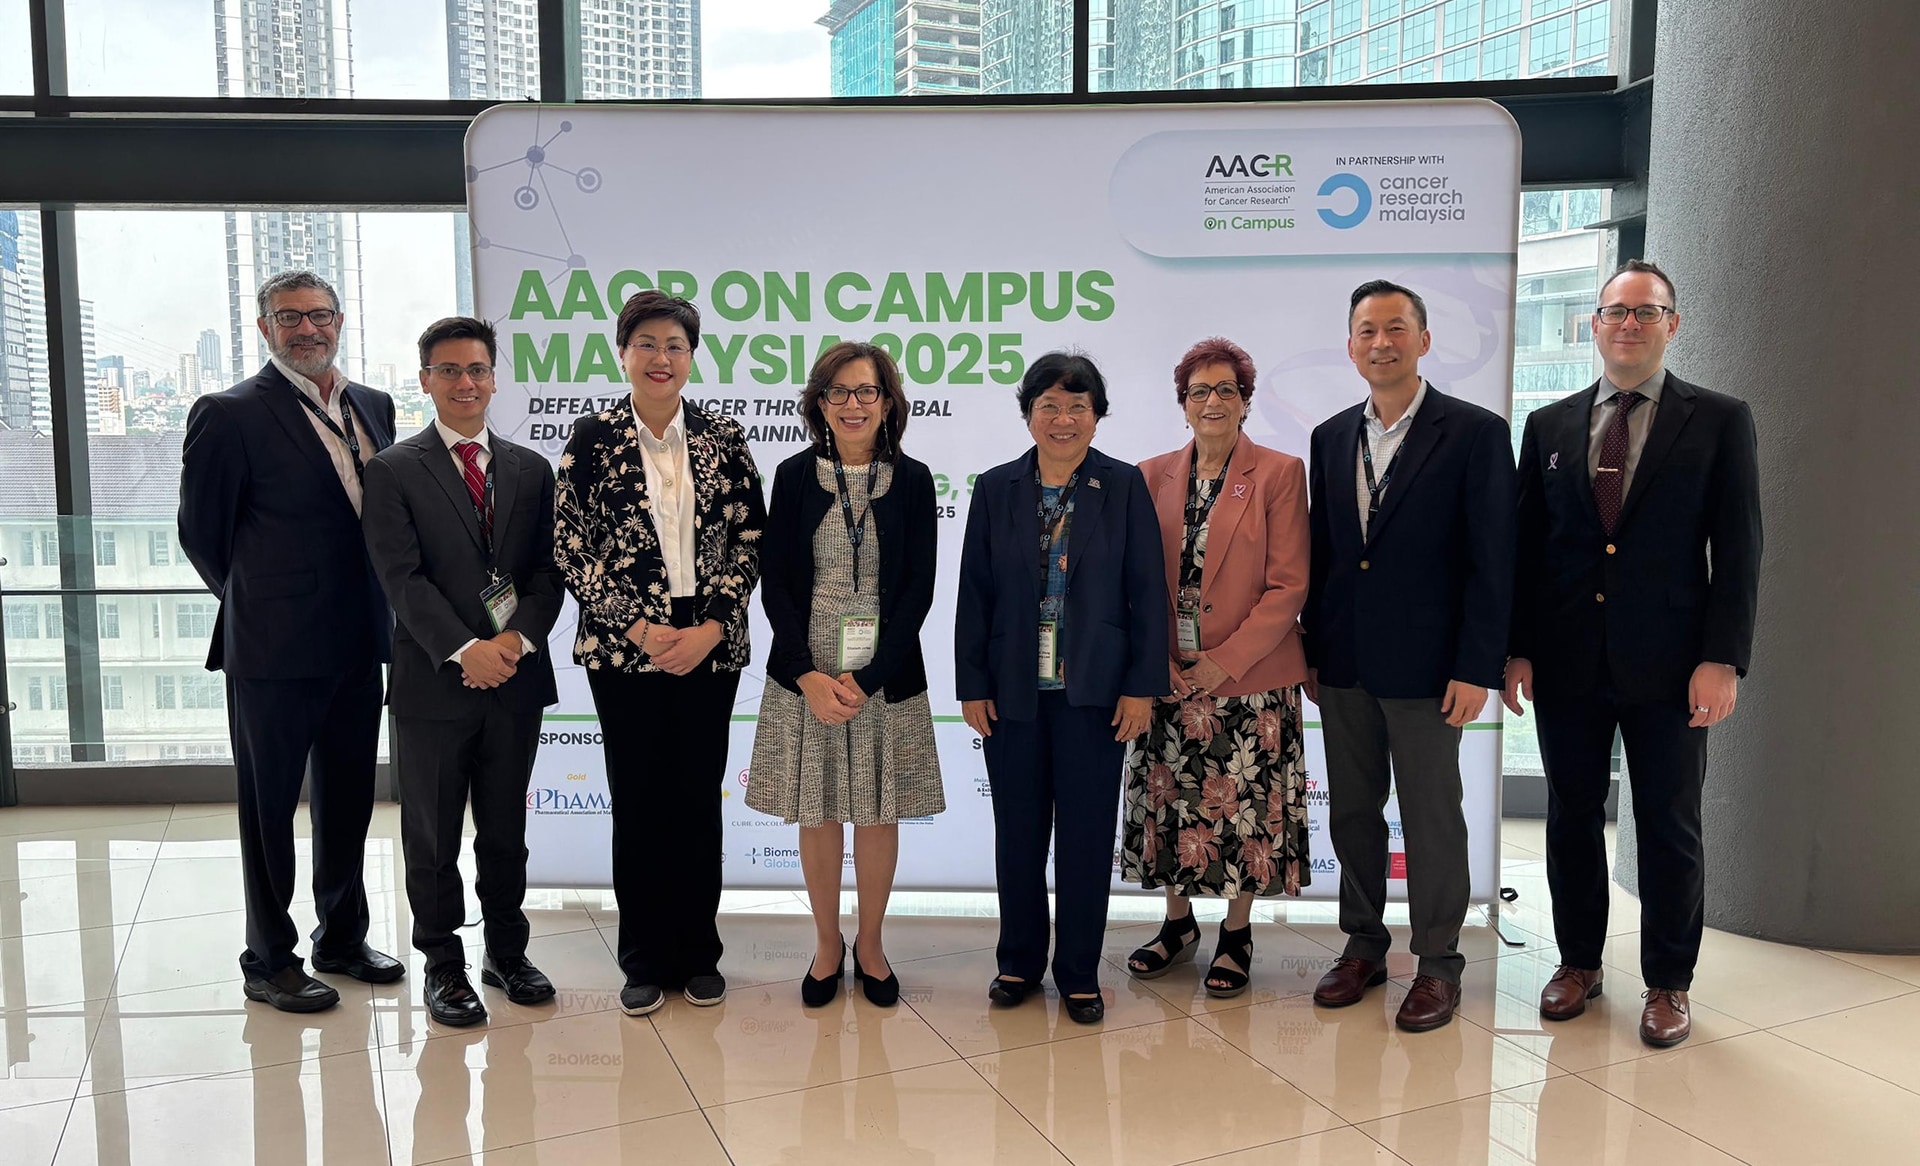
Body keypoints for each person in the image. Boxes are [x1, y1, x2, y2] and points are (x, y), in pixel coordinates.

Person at [1504, 259, 1761, 1048]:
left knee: (1670, 824)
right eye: (1615, 311)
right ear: (1594, 324)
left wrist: (1723, 658)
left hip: (1673, 667)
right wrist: (1515, 650)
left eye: (1646, 312)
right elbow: (1527, 550)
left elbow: (1741, 547)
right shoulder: (1547, 426)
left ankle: (1669, 982)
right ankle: (1578, 962)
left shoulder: (1718, 419)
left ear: (1671, 325)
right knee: (1571, 819)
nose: (1628, 324)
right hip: (1568, 664)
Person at [178, 269, 402, 1012]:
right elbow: (203, 536)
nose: (307, 329)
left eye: (319, 316)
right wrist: (260, 604)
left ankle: (341, 937)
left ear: (340, 320)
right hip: (272, 649)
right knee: (268, 808)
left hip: (358, 639)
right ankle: (269, 959)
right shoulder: (229, 412)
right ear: (265, 327)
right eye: (289, 318)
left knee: (347, 798)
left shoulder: (372, 404)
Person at [1302, 279, 1515, 1032]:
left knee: (1431, 817)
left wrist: (1477, 665)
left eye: (1396, 329)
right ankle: (1362, 944)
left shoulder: (1476, 433)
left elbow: (1495, 560)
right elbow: (1326, 557)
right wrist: (1311, 655)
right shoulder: (1330, 437)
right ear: (1350, 344)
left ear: (1424, 341)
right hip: (1346, 667)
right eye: (1367, 330)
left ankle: (1438, 964)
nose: (1381, 343)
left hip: (1433, 673)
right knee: (1354, 814)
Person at [553, 291, 766, 1018]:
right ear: (623, 352)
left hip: (711, 642)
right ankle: (642, 958)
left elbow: (749, 539)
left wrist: (710, 626)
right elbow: (570, 550)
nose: (661, 358)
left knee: (696, 802)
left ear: (691, 356)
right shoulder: (590, 438)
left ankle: (697, 954)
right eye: (646, 343)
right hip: (623, 648)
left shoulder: (723, 436)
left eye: (675, 345)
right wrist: (640, 631)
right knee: (639, 802)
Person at [362, 316, 566, 1027]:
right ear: (425, 381)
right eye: (448, 371)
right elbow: (401, 578)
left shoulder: (530, 469)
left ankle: (506, 953)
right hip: (433, 685)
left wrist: (511, 644)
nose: (465, 383)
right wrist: (464, 649)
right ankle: (444, 965)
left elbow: (547, 574)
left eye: (477, 369)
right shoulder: (391, 471)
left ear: (494, 376)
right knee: (434, 835)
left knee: (505, 830)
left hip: (515, 683)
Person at [956, 351, 1168, 1025]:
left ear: (1098, 416)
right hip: (1014, 690)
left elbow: (1146, 593)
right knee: (1017, 834)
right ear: (1027, 414)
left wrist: (1141, 687)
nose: (1063, 418)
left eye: (1078, 406)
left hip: (1096, 695)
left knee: (1082, 837)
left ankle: (1078, 970)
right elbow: (975, 594)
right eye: (1048, 405)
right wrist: (972, 683)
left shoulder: (1124, 486)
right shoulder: (996, 488)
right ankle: (1017, 961)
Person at [748, 341, 944, 1009]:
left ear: (887, 403)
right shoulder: (794, 475)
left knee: (878, 811)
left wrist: (869, 679)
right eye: (838, 392)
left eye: (866, 391)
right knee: (820, 809)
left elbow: (919, 589)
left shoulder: (913, 479)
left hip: (884, 674)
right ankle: (828, 944)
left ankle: (871, 944)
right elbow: (774, 584)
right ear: (819, 404)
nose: (852, 404)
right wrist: (806, 675)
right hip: (807, 671)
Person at [1123, 337, 1312, 999]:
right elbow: (1135, 581)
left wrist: (1223, 663)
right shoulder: (1148, 475)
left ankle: (1236, 933)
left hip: (1249, 683)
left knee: (1246, 815)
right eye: (1199, 391)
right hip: (1170, 680)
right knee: (1172, 806)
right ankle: (1177, 925)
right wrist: (1160, 660)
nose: (1211, 401)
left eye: (1225, 390)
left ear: (1245, 402)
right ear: (1182, 404)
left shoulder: (1280, 472)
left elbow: (1289, 586)